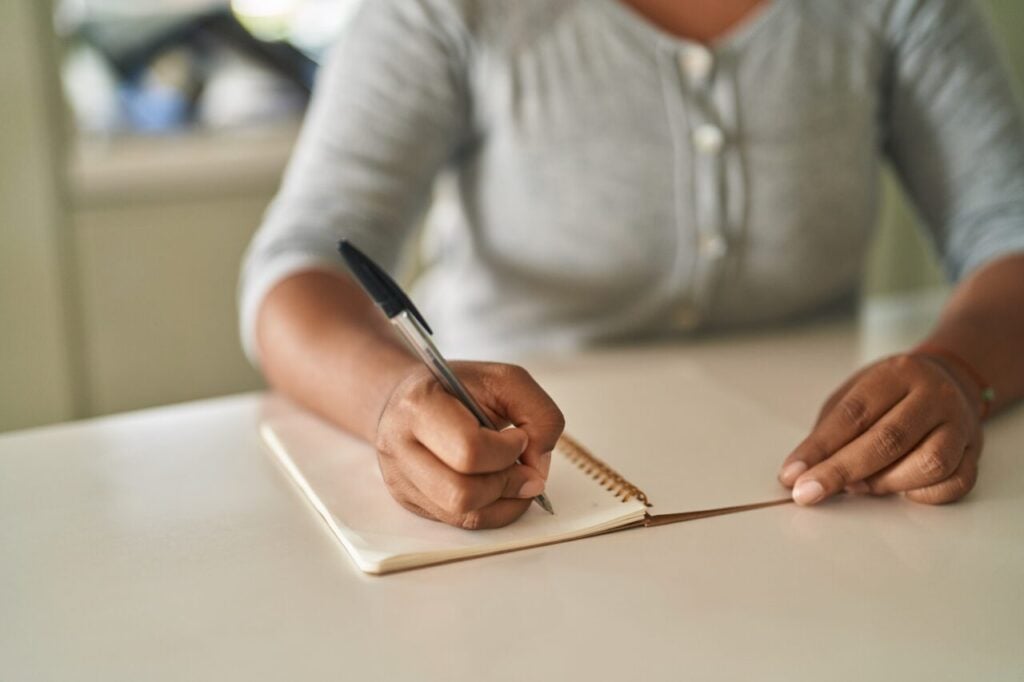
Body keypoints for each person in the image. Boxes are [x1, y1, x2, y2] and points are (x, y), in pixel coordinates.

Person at [239, 0, 1024, 529]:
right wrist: (389, 404)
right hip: (521, 506)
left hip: (822, 516)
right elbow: (299, 269)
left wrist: (957, 368)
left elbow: (1008, 225)